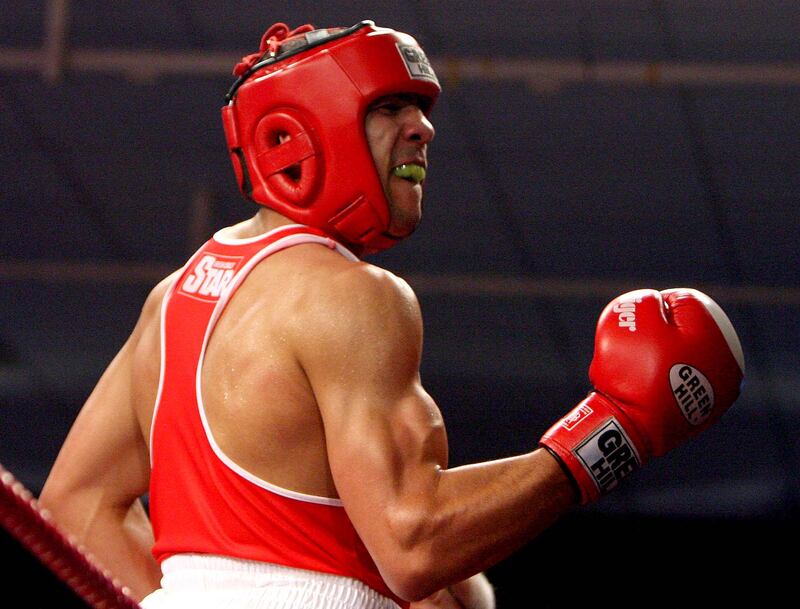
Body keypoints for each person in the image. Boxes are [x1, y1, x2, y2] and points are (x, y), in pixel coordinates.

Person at [37, 19, 745, 609]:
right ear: (296, 134)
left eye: (422, 110)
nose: (422, 132)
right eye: (388, 108)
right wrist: (614, 432)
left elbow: (77, 507)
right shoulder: (353, 296)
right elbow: (415, 542)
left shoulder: (175, 298)